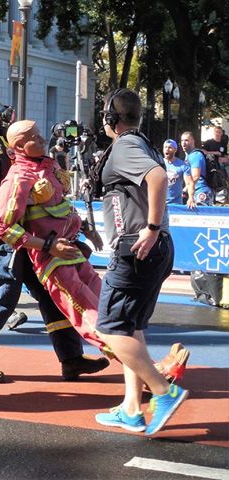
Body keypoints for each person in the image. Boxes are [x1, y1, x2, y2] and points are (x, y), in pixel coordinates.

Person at [0, 81, 110, 383]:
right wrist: (28, 193)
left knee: (48, 293)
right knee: (3, 292)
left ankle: (72, 358)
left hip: (24, 228)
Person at [93, 88, 187, 436]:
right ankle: (132, 409)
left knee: (110, 329)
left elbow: (157, 178)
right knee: (131, 327)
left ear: (109, 118)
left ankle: (164, 392)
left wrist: (149, 228)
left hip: (138, 249)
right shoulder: (143, 142)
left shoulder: (125, 145)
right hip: (153, 247)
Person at [0, 120, 111, 355]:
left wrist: (86, 229)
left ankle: (142, 365)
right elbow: (3, 229)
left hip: (72, 252)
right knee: (89, 315)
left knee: (106, 308)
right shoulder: (18, 179)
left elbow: (62, 207)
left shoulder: (48, 168)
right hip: (53, 261)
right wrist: (48, 245)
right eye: (35, 138)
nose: (43, 140)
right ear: (19, 145)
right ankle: (144, 373)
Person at [181, 131, 214, 207]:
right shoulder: (188, 156)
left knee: (200, 217)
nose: (183, 143)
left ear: (193, 141)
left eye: (186, 140)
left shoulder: (195, 155)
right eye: (182, 140)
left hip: (201, 192)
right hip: (194, 192)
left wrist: (185, 190)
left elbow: (195, 176)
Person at [202, 125, 228, 203]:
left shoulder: (223, 143)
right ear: (214, 133)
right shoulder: (208, 142)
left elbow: (225, 154)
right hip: (211, 165)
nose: (218, 134)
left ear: (221, 133)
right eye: (216, 132)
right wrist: (215, 153)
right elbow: (203, 152)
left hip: (221, 165)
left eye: (219, 132)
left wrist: (225, 159)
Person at [162, 139, 191, 204]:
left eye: (170, 147)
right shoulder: (159, 163)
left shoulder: (182, 165)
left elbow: (189, 183)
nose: (167, 149)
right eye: (165, 147)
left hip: (176, 203)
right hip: (160, 203)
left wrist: (191, 198)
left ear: (175, 150)